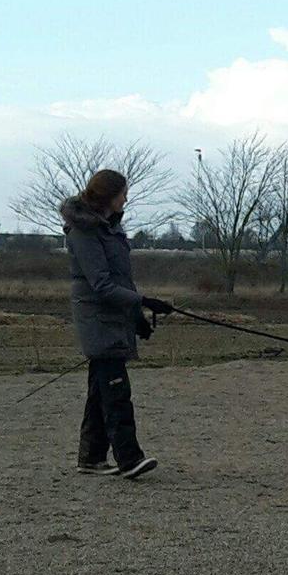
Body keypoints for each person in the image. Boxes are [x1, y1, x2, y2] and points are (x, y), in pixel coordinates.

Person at [60, 170, 173, 478]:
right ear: (109, 196)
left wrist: (137, 319)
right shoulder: (84, 233)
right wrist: (144, 302)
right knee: (116, 391)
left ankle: (91, 458)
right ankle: (129, 458)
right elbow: (101, 285)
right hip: (97, 320)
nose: (127, 198)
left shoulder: (111, 230)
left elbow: (122, 280)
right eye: (123, 193)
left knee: (101, 390)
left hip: (113, 319)